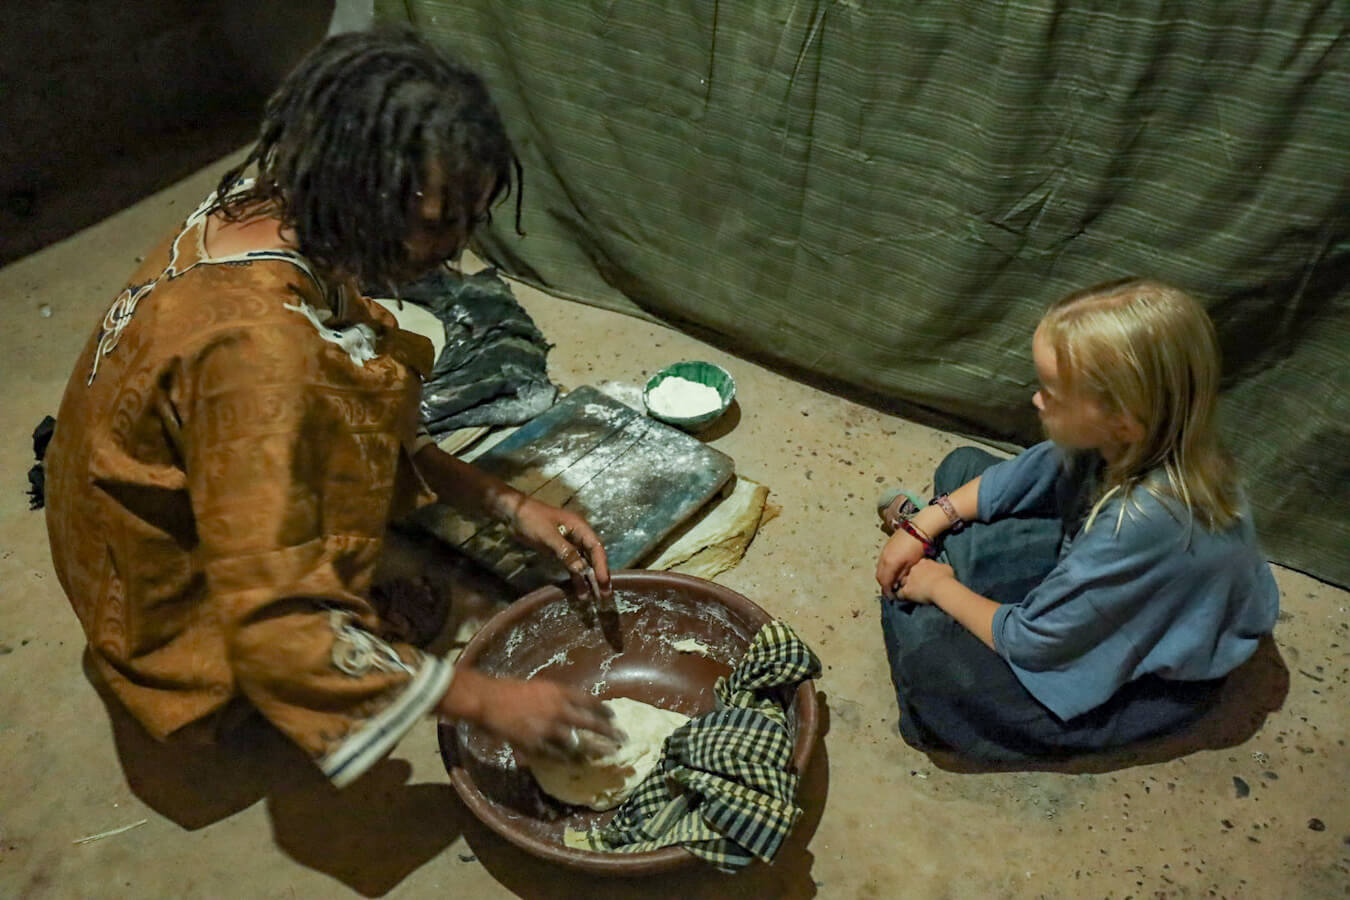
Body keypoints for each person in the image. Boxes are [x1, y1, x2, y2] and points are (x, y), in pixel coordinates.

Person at [44, 29, 621, 788]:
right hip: (169, 602)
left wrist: (507, 503)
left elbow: (358, 396)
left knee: (363, 396)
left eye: (467, 220)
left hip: (159, 518)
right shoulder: (260, 357)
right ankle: (224, 697)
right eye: (438, 223)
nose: (452, 252)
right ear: (360, 188)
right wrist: (480, 698)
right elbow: (274, 615)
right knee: (305, 632)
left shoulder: (268, 212)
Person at [874, 278, 1280, 761]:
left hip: (1159, 675)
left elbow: (1031, 644)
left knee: (931, 664)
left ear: (1122, 421)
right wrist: (928, 524)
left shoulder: (1144, 520)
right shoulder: (1152, 434)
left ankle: (940, 588)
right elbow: (1031, 473)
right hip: (1115, 586)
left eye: (1052, 393)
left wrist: (938, 586)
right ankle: (944, 566)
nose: (1037, 401)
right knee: (964, 469)